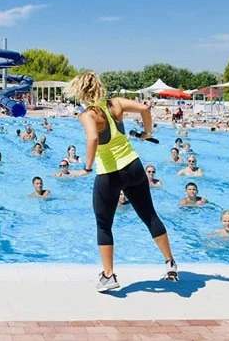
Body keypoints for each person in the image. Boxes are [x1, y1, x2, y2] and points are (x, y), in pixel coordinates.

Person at [67, 72, 177, 292]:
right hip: (134, 167)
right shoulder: (115, 104)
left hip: (110, 174)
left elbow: (93, 138)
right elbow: (145, 109)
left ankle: (108, 276)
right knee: (149, 215)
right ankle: (170, 263)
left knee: (104, 224)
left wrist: (87, 168)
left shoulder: (87, 114)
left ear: (80, 91)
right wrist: (147, 133)